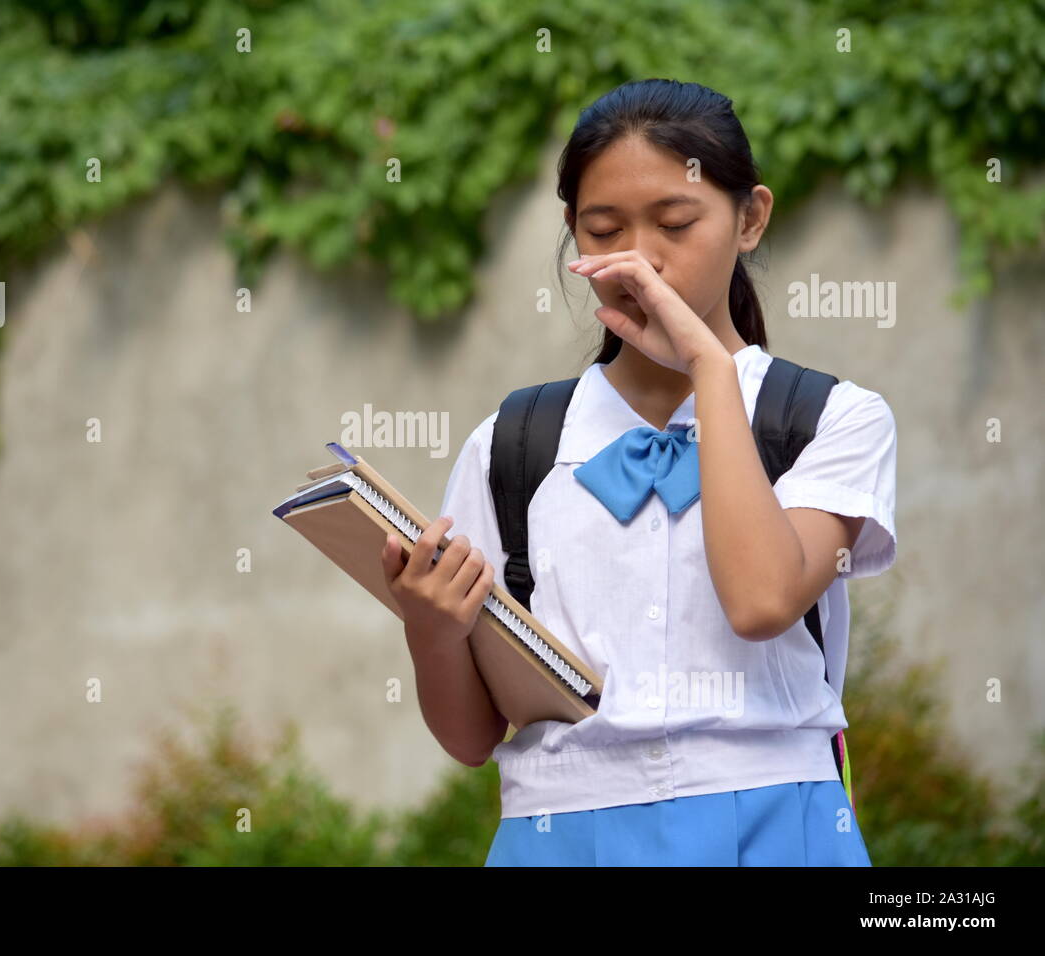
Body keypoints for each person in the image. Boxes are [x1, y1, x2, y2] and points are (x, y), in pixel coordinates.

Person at [379, 79, 897, 866]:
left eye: (676, 223)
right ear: (573, 236)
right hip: (561, 831)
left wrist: (710, 373)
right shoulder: (513, 443)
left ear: (750, 218)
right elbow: (472, 738)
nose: (640, 258)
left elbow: (761, 601)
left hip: (775, 820)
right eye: (603, 228)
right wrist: (430, 629)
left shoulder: (831, 418)